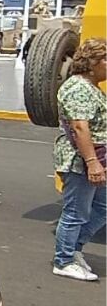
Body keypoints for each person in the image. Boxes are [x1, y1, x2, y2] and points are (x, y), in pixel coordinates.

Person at [50, 38, 107, 281]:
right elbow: (80, 127)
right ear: (92, 63)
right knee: (76, 211)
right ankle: (63, 260)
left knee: (102, 208)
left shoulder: (92, 87)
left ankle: (74, 249)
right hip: (80, 160)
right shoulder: (78, 88)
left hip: (96, 158)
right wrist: (92, 162)